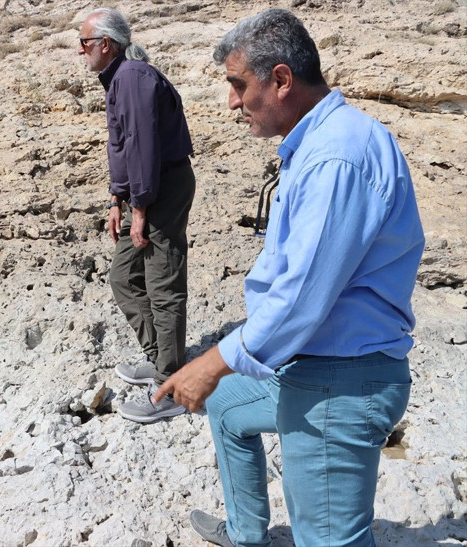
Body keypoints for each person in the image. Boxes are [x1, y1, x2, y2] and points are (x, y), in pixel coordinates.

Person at [153, 8, 424, 547]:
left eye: (237, 85)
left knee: (327, 539)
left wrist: (210, 363)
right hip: (314, 365)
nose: (231, 102)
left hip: (340, 382)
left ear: (280, 79)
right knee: (230, 408)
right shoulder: (322, 143)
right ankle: (245, 533)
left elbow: (301, 301)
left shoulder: (337, 159)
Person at [77, 8, 196, 423]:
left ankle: (172, 390)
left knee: (162, 283)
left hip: (162, 188)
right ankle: (163, 359)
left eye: (85, 43)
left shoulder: (130, 77)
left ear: (105, 44)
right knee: (123, 276)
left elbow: (143, 148)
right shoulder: (120, 78)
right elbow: (123, 147)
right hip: (149, 190)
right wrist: (117, 200)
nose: (81, 51)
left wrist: (139, 210)